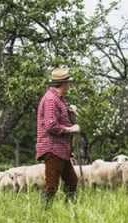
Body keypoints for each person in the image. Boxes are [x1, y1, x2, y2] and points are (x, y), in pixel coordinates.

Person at [36, 67, 81, 206]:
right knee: (52, 184)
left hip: (61, 149)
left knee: (72, 180)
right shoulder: (51, 100)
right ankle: (44, 214)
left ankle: (69, 210)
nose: (69, 85)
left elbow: (57, 116)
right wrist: (71, 129)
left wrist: (69, 110)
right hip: (53, 148)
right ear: (63, 84)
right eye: (68, 82)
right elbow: (51, 125)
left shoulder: (58, 99)